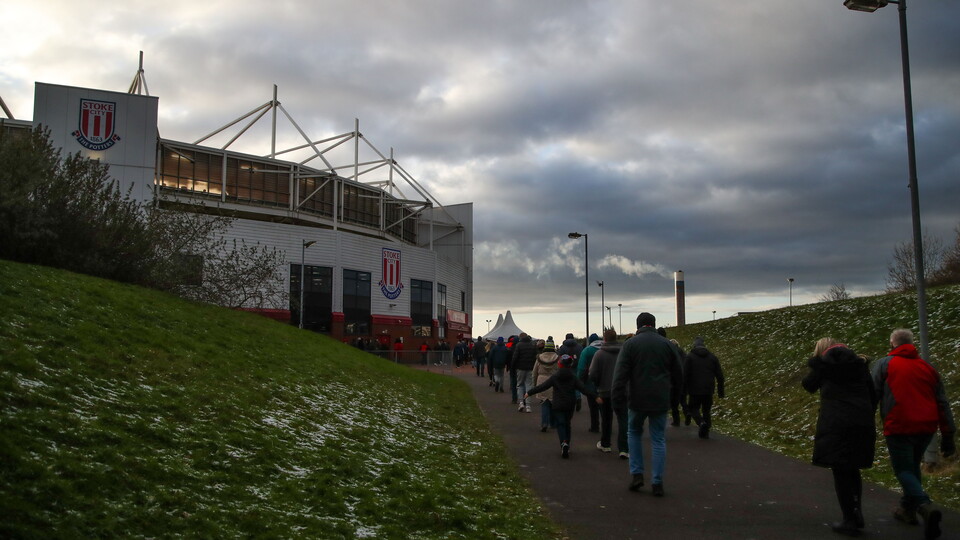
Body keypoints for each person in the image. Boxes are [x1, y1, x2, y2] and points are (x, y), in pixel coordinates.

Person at [872, 328, 955, 539]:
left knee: (903, 470)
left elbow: (872, 395)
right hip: (926, 427)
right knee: (913, 465)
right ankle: (906, 510)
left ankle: (924, 505)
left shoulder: (884, 364)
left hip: (899, 424)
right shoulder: (928, 368)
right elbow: (942, 402)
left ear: (892, 343)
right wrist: (948, 435)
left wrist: (863, 422)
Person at [802, 338, 878, 537]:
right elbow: (873, 394)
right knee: (853, 468)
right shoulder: (860, 366)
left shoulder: (825, 367)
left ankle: (850, 519)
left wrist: (817, 365)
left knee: (841, 470)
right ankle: (856, 512)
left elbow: (808, 385)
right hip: (861, 423)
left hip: (836, 424)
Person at [612, 312, 683, 497]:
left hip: (636, 399)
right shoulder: (667, 344)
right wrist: (675, 399)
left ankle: (637, 474)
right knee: (658, 438)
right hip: (660, 398)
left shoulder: (630, 344)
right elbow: (678, 374)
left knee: (634, 433)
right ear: (653, 324)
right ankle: (657, 482)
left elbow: (620, 374)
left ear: (638, 326)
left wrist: (617, 397)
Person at [525, 354, 595, 459]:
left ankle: (563, 442)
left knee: (560, 424)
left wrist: (529, 392)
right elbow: (583, 388)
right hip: (570, 403)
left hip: (558, 403)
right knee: (567, 424)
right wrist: (595, 396)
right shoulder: (573, 377)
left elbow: (543, 386)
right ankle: (567, 443)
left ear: (559, 364)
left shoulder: (555, 377)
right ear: (570, 365)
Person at [590, 328, 628, 458]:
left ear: (604, 339)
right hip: (622, 391)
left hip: (604, 391)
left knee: (606, 419)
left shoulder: (599, 354)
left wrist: (597, 385)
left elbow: (593, 374)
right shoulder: (623, 353)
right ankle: (624, 448)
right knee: (623, 419)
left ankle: (606, 444)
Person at [683, 336, 725, 439]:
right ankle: (706, 431)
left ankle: (701, 423)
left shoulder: (690, 357)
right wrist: (721, 391)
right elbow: (720, 376)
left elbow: (685, 374)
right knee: (706, 410)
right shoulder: (712, 357)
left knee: (694, 409)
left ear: (695, 345)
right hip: (708, 388)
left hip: (694, 389)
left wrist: (683, 389)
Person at [532, 338, 560, 431]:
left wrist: (534, 385)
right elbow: (560, 371)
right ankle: (553, 423)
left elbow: (534, 372)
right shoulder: (557, 358)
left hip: (541, 381)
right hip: (553, 382)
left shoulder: (539, 358)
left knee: (544, 403)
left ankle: (544, 423)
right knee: (553, 404)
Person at [577, 333, 603, 433]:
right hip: (606, 383)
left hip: (590, 382)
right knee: (605, 407)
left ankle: (595, 426)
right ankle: (606, 426)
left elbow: (582, 368)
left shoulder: (587, 351)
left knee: (593, 406)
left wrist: (580, 381)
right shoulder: (605, 349)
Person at [512, 333, 539, 413]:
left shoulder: (519, 345)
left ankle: (521, 403)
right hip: (530, 368)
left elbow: (515, 357)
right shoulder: (532, 345)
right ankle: (528, 405)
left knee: (520, 385)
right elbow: (535, 357)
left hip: (520, 368)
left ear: (520, 338)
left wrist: (513, 367)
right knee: (529, 386)